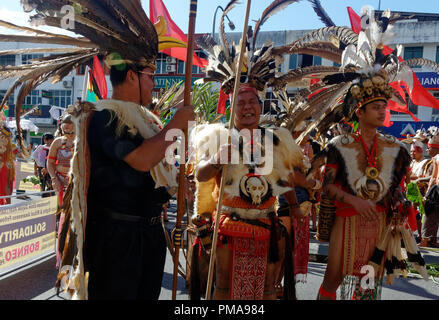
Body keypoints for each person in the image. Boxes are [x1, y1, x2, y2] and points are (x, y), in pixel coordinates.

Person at [191, 84, 306, 300]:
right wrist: (216, 159)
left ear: (260, 107)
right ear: (231, 109)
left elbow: (286, 177)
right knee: (223, 284)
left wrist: (294, 207)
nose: (247, 108)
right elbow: (200, 175)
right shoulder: (218, 137)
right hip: (228, 225)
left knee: (268, 287)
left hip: (267, 225)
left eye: (252, 102)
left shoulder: (277, 139)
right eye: (240, 103)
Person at [420, 134, 439, 247]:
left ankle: (428, 240)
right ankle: (426, 240)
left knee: (430, 215)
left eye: (429, 147)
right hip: (436, 190)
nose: (427, 149)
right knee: (430, 214)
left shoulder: (435, 158)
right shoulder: (436, 158)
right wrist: (427, 194)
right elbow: (433, 177)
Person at [0, 124, 19, 205]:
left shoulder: (11, 145)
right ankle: (8, 208)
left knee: (7, 187)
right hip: (8, 168)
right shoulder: (12, 145)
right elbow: (18, 155)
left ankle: (7, 206)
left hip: (6, 169)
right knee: (7, 188)